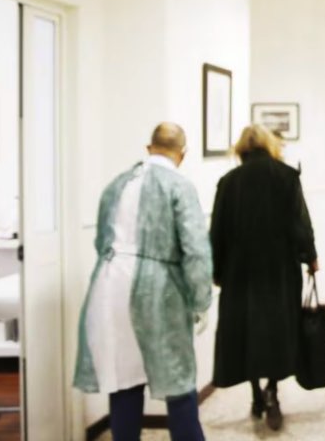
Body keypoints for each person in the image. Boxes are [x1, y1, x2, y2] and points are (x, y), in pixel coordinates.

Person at [73, 123, 212, 441]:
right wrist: (201, 299)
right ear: (183, 154)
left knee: (124, 379)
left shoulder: (116, 184)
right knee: (178, 379)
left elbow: (100, 241)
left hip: (108, 286)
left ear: (149, 148)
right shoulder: (179, 186)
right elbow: (196, 251)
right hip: (157, 290)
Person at [210, 125, 318, 431]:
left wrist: (217, 271)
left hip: (240, 270)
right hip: (279, 269)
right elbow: (300, 223)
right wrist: (310, 257)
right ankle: (272, 390)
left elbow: (217, 231)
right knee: (277, 328)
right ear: (270, 146)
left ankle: (256, 393)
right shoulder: (286, 176)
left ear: (240, 149)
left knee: (246, 330)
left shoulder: (228, 182)